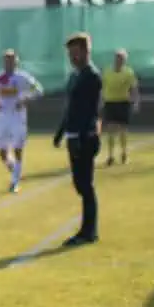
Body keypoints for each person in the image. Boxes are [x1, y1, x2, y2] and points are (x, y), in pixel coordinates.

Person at [52, 33, 103, 247]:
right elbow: (70, 108)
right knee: (80, 184)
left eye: (76, 52)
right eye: (70, 53)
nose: (72, 57)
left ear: (85, 52)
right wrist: (61, 132)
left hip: (86, 136)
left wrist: (81, 136)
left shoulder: (92, 76)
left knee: (85, 184)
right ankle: (87, 229)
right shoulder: (75, 76)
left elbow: (88, 111)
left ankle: (89, 231)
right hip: (74, 136)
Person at [0, 50, 43, 193]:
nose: (9, 63)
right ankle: (14, 169)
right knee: (2, 153)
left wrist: (26, 98)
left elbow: (39, 90)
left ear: (16, 62)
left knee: (18, 148)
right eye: (6, 60)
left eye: (12, 60)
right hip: (3, 116)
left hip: (18, 116)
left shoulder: (23, 77)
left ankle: (15, 182)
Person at [101, 49, 139, 166]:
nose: (119, 60)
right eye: (118, 58)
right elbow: (102, 87)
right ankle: (111, 156)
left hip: (123, 102)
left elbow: (134, 88)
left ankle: (124, 154)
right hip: (110, 102)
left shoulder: (129, 72)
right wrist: (100, 100)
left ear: (125, 60)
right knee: (111, 130)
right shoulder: (107, 71)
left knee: (123, 129)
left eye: (122, 59)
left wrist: (136, 102)